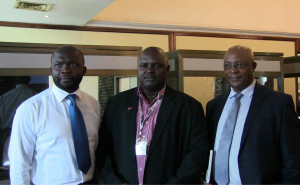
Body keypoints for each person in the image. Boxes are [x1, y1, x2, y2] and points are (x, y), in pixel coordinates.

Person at [97, 46, 209, 184]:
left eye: (157, 65)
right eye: (144, 65)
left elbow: (197, 154)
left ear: (167, 69)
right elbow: (103, 149)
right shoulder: (117, 104)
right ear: (138, 68)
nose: (149, 70)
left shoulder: (189, 107)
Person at [206, 45, 300, 184]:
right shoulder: (214, 106)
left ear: (253, 66)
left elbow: (293, 160)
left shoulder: (278, 103)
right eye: (227, 65)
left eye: (240, 64)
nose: (233, 70)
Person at [8, 45, 101, 184]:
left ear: (84, 70)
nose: (66, 70)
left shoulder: (93, 104)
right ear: (51, 70)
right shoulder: (31, 109)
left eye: (74, 64)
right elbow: (19, 163)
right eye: (59, 65)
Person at [0, 76, 36, 176]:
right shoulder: (33, 95)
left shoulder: (5, 97)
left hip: (8, 133)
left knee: (10, 165)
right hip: (19, 134)